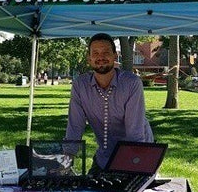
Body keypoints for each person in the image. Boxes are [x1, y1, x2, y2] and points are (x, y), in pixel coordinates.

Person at [65, 33, 154, 174]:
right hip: (104, 156)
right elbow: (75, 127)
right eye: (95, 53)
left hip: (138, 153)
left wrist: (134, 171)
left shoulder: (131, 83)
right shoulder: (80, 85)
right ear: (89, 59)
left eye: (106, 52)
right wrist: (66, 162)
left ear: (114, 56)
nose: (101, 57)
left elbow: (135, 133)